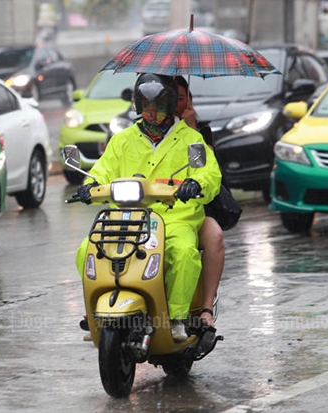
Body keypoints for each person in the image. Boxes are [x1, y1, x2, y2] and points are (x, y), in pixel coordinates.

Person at [75, 74, 222, 342]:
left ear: (170, 107)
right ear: (138, 106)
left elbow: (210, 175)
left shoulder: (192, 139)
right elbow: (101, 171)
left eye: (159, 106)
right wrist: (89, 185)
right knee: (87, 249)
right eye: (147, 106)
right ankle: (93, 311)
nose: (152, 113)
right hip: (126, 218)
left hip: (176, 219)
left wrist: (194, 184)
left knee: (185, 253)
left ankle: (176, 318)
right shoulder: (122, 140)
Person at [174, 75, 224, 328]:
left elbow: (209, 169)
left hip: (191, 209)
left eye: (180, 98)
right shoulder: (136, 134)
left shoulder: (197, 133)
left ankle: (204, 307)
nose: (173, 104)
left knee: (214, 236)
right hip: (148, 212)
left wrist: (192, 131)